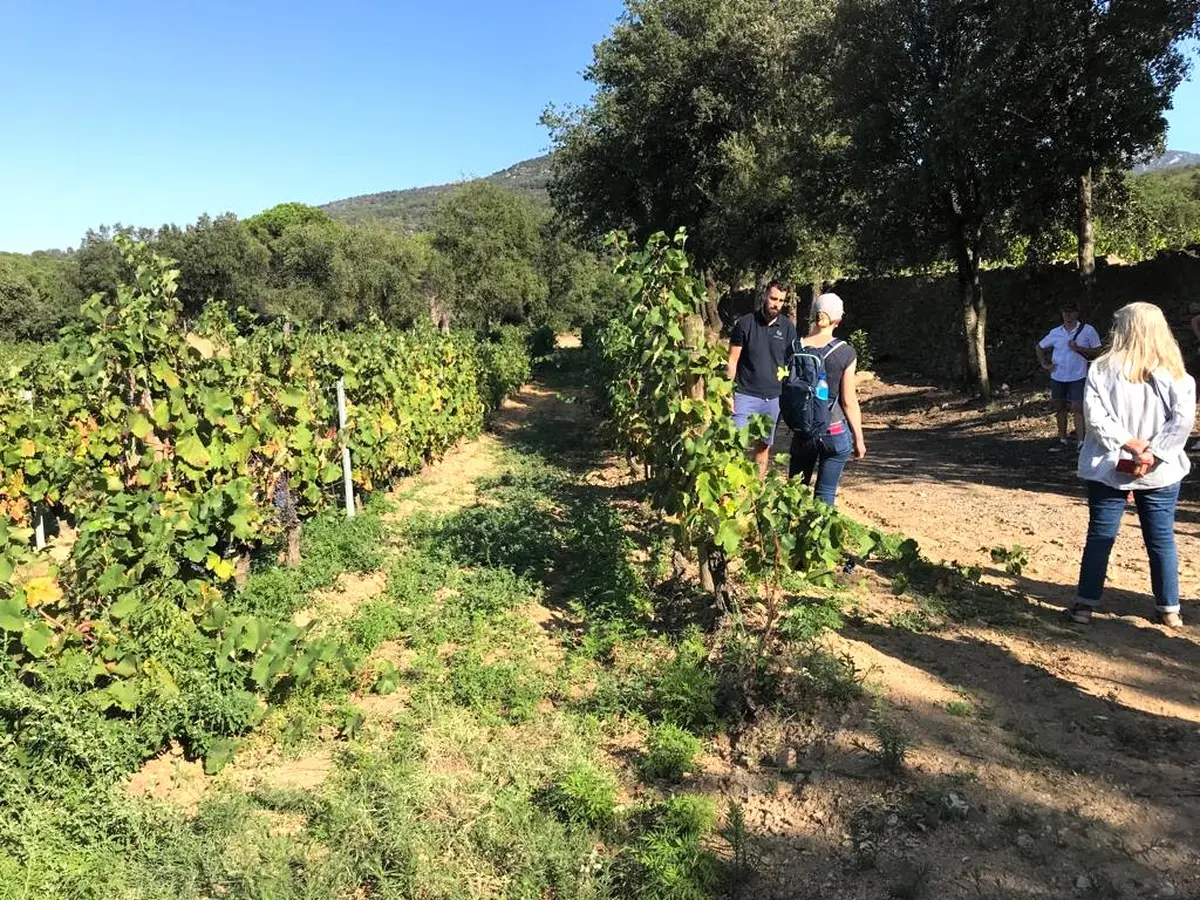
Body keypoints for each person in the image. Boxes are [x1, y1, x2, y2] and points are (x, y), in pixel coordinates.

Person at [1070, 302, 1195, 629]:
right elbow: (1182, 421)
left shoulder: (1100, 368)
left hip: (1109, 466)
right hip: (1161, 471)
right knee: (1161, 538)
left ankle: (1085, 606)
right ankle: (1169, 609)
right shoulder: (1177, 373)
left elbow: (1094, 418)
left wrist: (1130, 445)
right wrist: (1153, 453)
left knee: (1100, 534)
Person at [787, 292, 866, 506]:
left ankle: (789, 534)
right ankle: (819, 536)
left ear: (813, 315)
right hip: (833, 431)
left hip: (803, 431)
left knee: (794, 494)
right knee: (825, 495)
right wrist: (858, 438)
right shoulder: (846, 352)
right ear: (838, 320)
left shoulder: (794, 347)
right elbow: (849, 401)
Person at [727, 281, 797, 478]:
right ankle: (731, 491)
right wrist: (726, 392)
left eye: (781, 300)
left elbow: (791, 364)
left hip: (773, 399)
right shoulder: (745, 324)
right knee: (735, 445)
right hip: (744, 395)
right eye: (773, 298)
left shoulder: (788, 329)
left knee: (763, 447)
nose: (776, 304)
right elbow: (732, 360)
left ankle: (756, 493)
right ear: (765, 296)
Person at [1036, 302, 1102, 451]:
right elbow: (1039, 347)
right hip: (1058, 376)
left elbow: (1098, 351)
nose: (1068, 315)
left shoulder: (1087, 330)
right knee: (1060, 408)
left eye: (1071, 312)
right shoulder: (1056, 332)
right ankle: (1062, 439)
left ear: (1077, 314)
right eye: (1065, 312)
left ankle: (1081, 442)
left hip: (1079, 375)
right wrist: (1045, 365)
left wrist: (1078, 348)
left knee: (1077, 408)